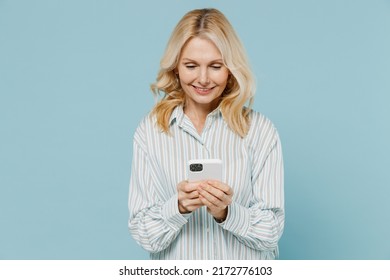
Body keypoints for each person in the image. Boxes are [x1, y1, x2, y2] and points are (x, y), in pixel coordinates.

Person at [128, 8, 284, 260]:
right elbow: (143, 232)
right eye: (191, 65)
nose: (202, 79)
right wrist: (177, 207)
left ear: (230, 69)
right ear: (176, 68)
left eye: (215, 66)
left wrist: (227, 212)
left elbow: (272, 230)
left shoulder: (259, 131)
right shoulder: (151, 131)